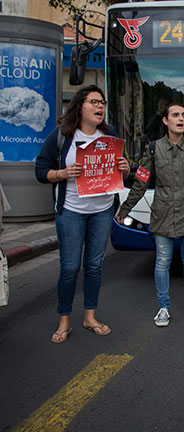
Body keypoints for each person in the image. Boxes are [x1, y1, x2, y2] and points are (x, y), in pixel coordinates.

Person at [35, 85, 130, 343]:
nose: (100, 107)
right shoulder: (61, 136)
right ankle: (64, 320)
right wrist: (62, 174)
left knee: (94, 266)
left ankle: (90, 317)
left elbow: (122, 170)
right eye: (94, 102)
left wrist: (125, 165)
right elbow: (41, 170)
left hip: (101, 211)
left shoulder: (110, 136)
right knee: (69, 268)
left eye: (102, 103)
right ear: (80, 106)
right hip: (71, 212)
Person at [116, 103, 184, 327]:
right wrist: (124, 209)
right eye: (175, 115)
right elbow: (141, 183)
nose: (180, 119)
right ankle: (163, 307)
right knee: (163, 261)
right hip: (164, 213)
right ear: (165, 121)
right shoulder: (154, 149)